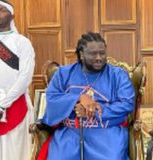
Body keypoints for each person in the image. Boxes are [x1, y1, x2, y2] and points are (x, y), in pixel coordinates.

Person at [40, 32, 135, 160]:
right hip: (70, 133)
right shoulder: (63, 74)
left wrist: (95, 110)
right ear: (81, 54)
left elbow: (127, 104)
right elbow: (51, 99)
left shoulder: (118, 75)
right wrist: (78, 98)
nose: (99, 58)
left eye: (102, 53)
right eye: (93, 54)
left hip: (106, 132)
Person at [0, 0, 35, 160]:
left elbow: (25, 77)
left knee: (16, 153)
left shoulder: (22, 42)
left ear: (12, 16)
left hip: (15, 105)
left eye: (2, 10)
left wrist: (2, 104)